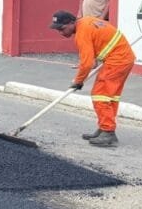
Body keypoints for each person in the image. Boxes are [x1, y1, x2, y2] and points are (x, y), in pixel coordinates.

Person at [50, 10, 135, 148]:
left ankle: (108, 132)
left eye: (62, 28)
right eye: (57, 30)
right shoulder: (86, 22)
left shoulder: (82, 33)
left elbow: (87, 64)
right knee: (110, 97)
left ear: (71, 22)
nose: (60, 32)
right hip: (123, 58)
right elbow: (93, 55)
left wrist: (78, 81)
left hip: (117, 61)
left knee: (100, 95)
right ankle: (104, 128)